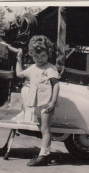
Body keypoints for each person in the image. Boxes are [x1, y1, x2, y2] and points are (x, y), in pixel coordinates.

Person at [16, 35, 60, 166]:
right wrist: (18, 59)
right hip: (37, 103)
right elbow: (19, 74)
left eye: (43, 56)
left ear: (48, 54)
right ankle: (44, 153)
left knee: (45, 129)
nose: (40, 59)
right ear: (31, 55)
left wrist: (52, 102)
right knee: (42, 129)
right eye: (36, 56)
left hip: (46, 103)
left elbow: (56, 85)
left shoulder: (50, 68)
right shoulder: (33, 68)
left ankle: (44, 155)